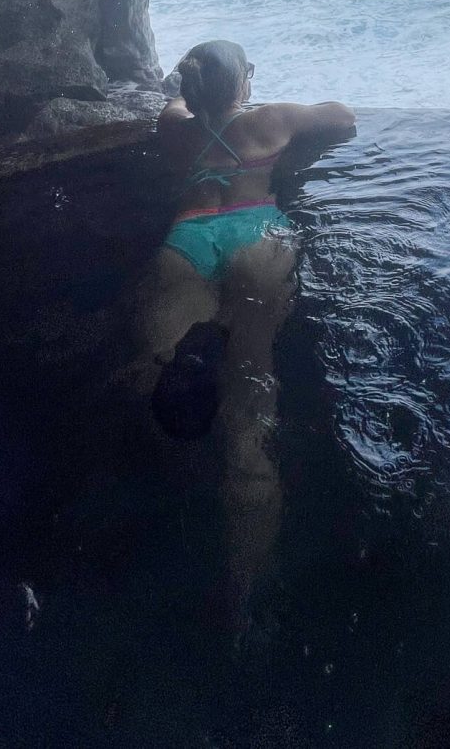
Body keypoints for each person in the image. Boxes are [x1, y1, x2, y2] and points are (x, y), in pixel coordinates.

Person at [142, 38, 355, 627]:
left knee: (160, 372)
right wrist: (276, 113)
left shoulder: (173, 126)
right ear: (245, 81)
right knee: (250, 397)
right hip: (255, 237)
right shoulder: (271, 120)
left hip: (187, 242)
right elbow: (343, 118)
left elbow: (177, 105)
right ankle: (244, 599)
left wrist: (196, 96)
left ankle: (161, 515)